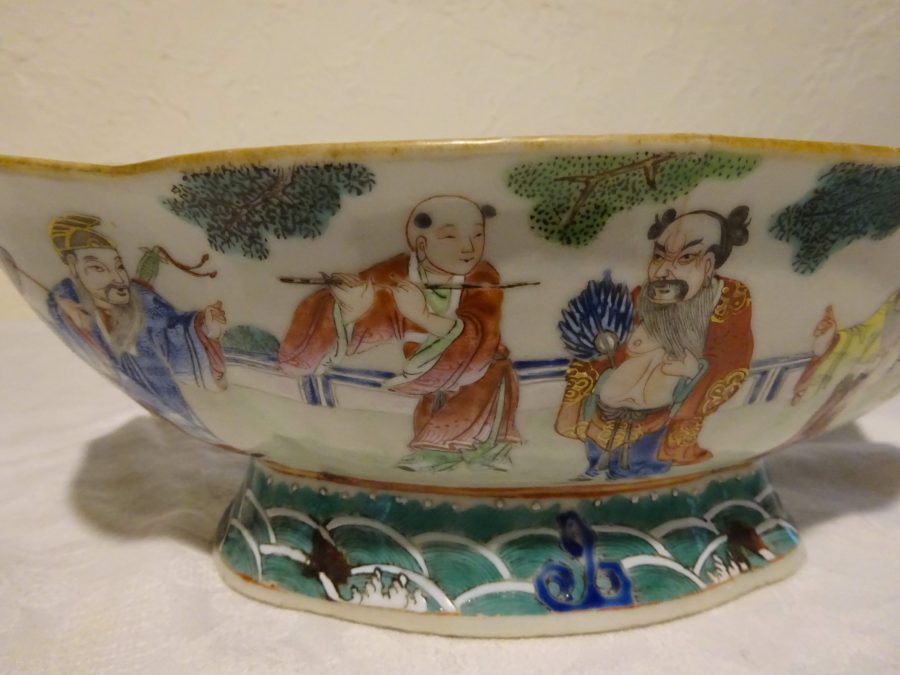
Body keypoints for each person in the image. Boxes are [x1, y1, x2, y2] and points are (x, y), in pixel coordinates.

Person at [278, 195, 520, 471]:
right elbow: (343, 312)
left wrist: (423, 316)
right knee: (434, 412)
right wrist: (350, 310)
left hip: (479, 370)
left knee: (482, 391)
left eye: (477, 235)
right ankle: (436, 453)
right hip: (423, 370)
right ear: (421, 244)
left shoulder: (483, 277)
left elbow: (480, 332)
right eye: (451, 237)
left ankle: (472, 453)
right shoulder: (395, 274)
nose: (469, 248)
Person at [556, 207, 754, 479]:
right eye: (659, 256)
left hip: (663, 412)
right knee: (599, 450)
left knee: (641, 458)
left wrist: (689, 375)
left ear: (708, 265)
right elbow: (600, 350)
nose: (662, 271)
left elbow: (729, 367)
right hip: (611, 407)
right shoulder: (642, 296)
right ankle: (595, 467)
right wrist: (573, 406)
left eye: (685, 257)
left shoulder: (729, 300)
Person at [46, 214, 227, 442]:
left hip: (162, 389)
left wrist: (203, 328)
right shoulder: (71, 298)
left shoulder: (143, 301)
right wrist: (64, 304)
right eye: (98, 268)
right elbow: (58, 295)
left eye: (119, 266)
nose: (118, 278)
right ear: (73, 268)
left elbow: (173, 330)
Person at [789, 288, 900, 439]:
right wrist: (836, 334)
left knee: (841, 404)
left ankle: (810, 428)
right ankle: (808, 427)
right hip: (857, 368)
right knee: (833, 399)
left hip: (871, 373)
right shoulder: (883, 315)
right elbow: (861, 333)